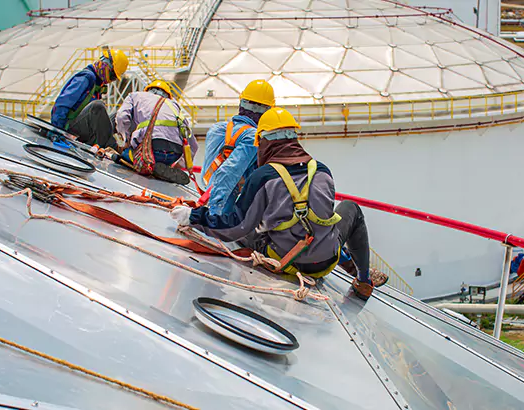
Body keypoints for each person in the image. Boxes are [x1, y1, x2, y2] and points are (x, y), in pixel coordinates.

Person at [170, 107, 386, 300]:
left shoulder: (264, 177)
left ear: (264, 142)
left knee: (246, 225)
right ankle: (363, 280)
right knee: (351, 209)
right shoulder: (321, 170)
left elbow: (236, 227)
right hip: (327, 260)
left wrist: (193, 217)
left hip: (285, 260)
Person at [200, 79, 274, 214]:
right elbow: (228, 173)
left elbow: (209, 171)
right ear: (267, 111)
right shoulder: (253, 136)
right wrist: (214, 214)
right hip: (224, 201)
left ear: (241, 103)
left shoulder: (216, 129)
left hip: (207, 193)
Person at [113, 80, 197, 184]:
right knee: (161, 159)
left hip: (151, 150)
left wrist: (125, 140)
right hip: (173, 154)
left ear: (147, 90)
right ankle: (162, 168)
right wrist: (180, 165)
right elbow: (193, 144)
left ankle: (150, 166)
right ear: (167, 95)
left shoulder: (135, 96)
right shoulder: (174, 105)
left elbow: (121, 116)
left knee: (125, 154)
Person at [51, 47, 128, 149]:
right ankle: (112, 148)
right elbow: (62, 104)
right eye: (113, 76)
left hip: (84, 131)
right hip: (69, 129)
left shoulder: (97, 84)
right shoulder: (86, 77)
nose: (111, 81)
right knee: (97, 107)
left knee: (118, 114)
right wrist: (58, 131)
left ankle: (117, 145)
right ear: (105, 66)